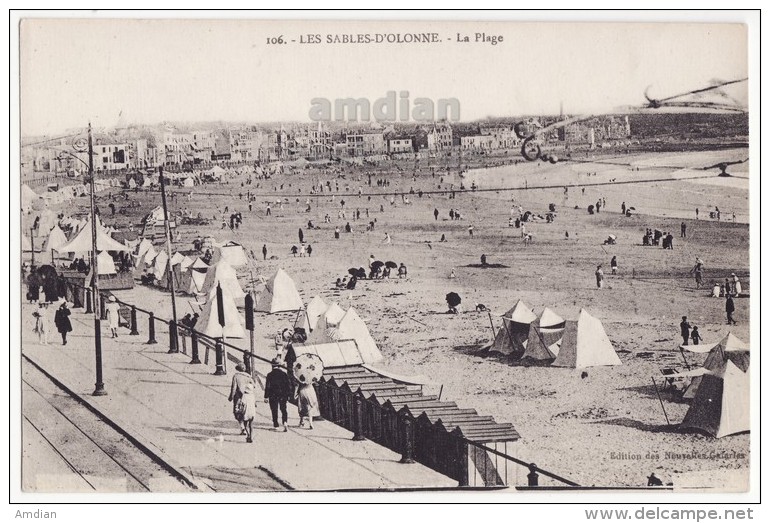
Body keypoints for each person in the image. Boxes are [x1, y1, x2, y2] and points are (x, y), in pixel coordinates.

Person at [264, 358, 290, 432]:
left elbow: (267, 386)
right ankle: (285, 422)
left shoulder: (269, 375)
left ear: (272, 365)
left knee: (274, 410)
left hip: (273, 395)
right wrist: (288, 395)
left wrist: (266, 396)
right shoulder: (284, 374)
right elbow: (288, 386)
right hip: (283, 395)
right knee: (283, 409)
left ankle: (276, 425)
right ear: (279, 366)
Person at [228, 363, 253, 436]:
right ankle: (246, 428)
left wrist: (231, 397)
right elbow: (253, 386)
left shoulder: (236, 376)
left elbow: (234, 387)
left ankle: (242, 427)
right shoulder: (249, 376)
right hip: (248, 396)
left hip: (238, 397)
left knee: (237, 412)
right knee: (246, 411)